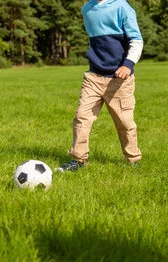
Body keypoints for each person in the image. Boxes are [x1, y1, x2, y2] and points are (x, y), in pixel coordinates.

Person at [59, 0, 143, 172]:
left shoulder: (122, 7)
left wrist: (128, 65)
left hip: (119, 80)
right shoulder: (87, 9)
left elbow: (136, 40)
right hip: (94, 77)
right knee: (82, 116)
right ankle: (78, 160)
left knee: (125, 122)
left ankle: (133, 160)